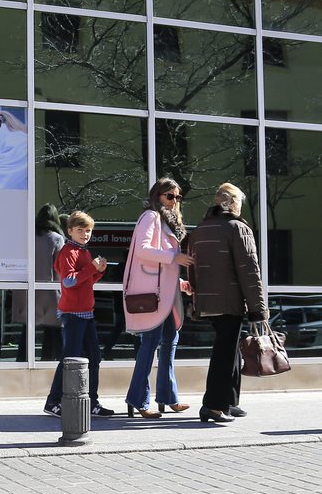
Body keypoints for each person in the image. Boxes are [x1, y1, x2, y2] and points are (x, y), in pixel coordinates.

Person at [185, 183, 266, 423]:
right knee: (224, 353)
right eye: (239, 202)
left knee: (230, 351)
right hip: (229, 301)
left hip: (208, 302)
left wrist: (196, 300)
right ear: (231, 203)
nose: (240, 206)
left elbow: (192, 270)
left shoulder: (199, 230)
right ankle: (212, 406)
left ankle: (230, 402)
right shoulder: (237, 228)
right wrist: (258, 308)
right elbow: (249, 271)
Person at [122, 178, 195, 419]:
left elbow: (162, 265)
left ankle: (168, 396)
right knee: (151, 343)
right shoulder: (151, 216)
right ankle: (138, 399)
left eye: (178, 197)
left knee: (170, 340)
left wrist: (180, 283)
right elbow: (142, 250)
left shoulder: (167, 221)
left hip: (166, 294)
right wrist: (174, 258)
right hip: (153, 294)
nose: (175, 202)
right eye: (170, 196)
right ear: (158, 196)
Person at [43, 211, 115, 417]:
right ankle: (53, 401)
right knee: (70, 359)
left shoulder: (83, 252)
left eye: (88, 231)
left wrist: (98, 270)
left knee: (94, 357)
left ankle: (92, 401)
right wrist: (92, 269)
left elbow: (86, 282)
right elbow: (69, 282)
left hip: (86, 312)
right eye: (80, 230)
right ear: (70, 231)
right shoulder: (68, 252)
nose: (85, 234)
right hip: (73, 313)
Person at [12, 204, 64, 362]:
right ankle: (55, 367)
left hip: (29, 291)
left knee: (27, 332)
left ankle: (21, 365)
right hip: (49, 291)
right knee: (55, 333)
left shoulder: (27, 237)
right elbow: (59, 270)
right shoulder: (56, 238)